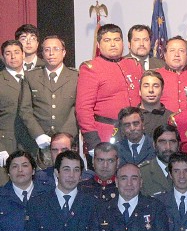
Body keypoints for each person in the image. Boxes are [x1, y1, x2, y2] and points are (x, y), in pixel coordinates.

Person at [76, 24, 142, 152]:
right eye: (107, 40)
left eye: (117, 40)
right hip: (105, 135)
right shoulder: (91, 68)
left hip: (135, 133)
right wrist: (93, 141)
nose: (113, 44)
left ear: (123, 43)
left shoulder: (133, 64)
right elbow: (83, 108)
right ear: (99, 45)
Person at [20, 35, 78, 155]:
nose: (51, 53)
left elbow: (79, 108)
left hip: (68, 141)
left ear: (64, 52)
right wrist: (38, 134)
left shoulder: (75, 77)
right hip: (39, 142)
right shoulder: (31, 77)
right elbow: (25, 110)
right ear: (42, 53)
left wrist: (68, 135)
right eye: (47, 50)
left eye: (56, 49)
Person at [0, 40, 35, 163]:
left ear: (23, 55)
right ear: (3, 57)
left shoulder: (34, 78)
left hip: (32, 145)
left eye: (16, 52)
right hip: (7, 145)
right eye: (8, 53)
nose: (13, 56)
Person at [157, 36, 187, 113]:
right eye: (172, 50)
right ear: (165, 55)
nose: (177, 54)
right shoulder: (155, 76)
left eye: (181, 51)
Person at [139, 124, 181, 196]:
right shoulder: (141, 173)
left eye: (172, 142)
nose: (168, 147)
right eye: (162, 142)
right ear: (154, 145)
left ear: (179, 145)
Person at [138, 69, 173, 137]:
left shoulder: (171, 119)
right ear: (139, 91)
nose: (151, 90)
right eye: (146, 86)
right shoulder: (129, 118)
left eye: (156, 86)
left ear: (162, 91)